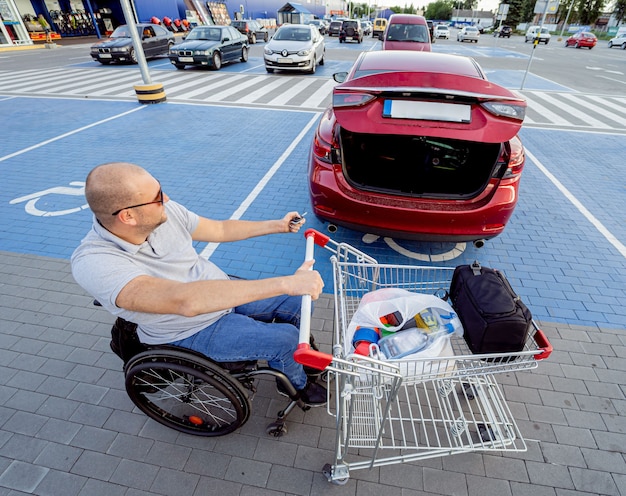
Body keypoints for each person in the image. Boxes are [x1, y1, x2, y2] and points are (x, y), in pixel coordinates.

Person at [71, 162, 327, 406]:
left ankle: (290, 358)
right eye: (158, 196)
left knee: (297, 304)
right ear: (128, 216)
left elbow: (220, 230)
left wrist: (278, 225)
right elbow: (185, 301)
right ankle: (295, 385)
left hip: (221, 290)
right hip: (191, 328)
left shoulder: (163, 213)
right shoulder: (95, 262)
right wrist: (287, 283)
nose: (167, 199)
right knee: (286, 338)